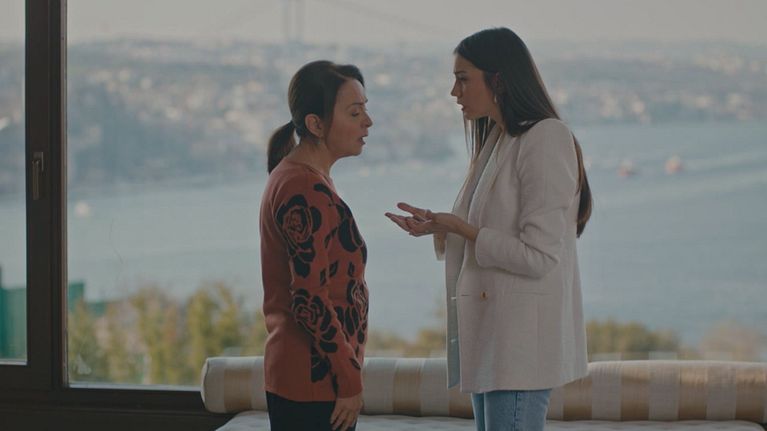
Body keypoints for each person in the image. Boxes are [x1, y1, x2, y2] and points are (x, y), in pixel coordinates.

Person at [386, 27, 592, 431]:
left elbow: (539, 257)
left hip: (519, 350)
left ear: (498, 80)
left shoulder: (545, 137)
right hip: (494, 344)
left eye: (463, 79)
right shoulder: (498, 140)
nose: (454, 92)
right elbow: (485, 228)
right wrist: (441, 227)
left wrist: (462, 229)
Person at [260, 60, 373, 431]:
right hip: (314, 383)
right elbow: (309, 299)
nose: (368, 122)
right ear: (316, 124)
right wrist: (349, 378)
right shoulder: (303, 187)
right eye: (354, 112)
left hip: (313, 380)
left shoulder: (303, 177)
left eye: (365, 109)